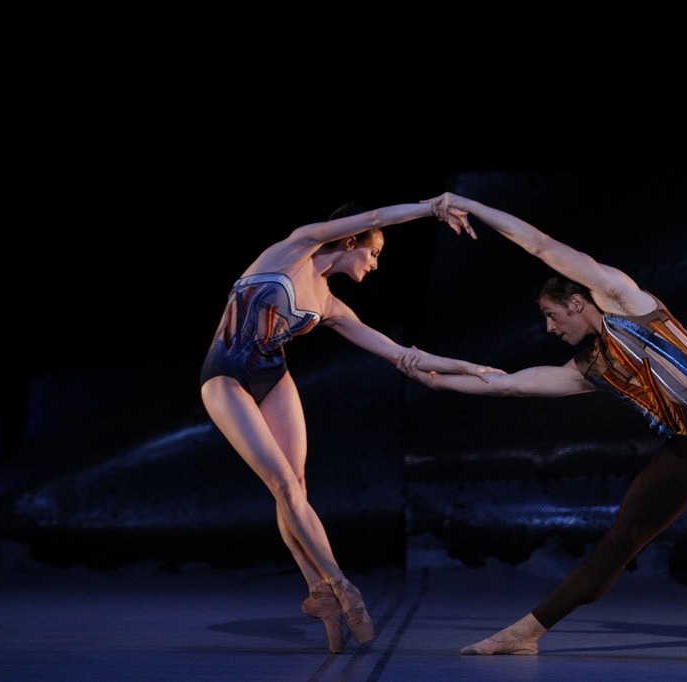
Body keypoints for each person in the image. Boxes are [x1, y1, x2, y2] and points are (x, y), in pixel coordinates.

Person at [399, 192, 687, 667]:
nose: (549, 328)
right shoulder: (588, 367)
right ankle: (524, 632)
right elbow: (509, 386)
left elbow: (541, 244)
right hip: (685, 452)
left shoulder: (623, 299)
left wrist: (466, 204)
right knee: (617, 545)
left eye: (551, 314)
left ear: (575, 301)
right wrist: (431, 376)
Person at [199, 200, 501, 653]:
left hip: (272, 376)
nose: (375, 265)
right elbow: (376, 218)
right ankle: (341, 587)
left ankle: (319, 592)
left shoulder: (330, 304)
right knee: (282, 485)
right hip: (225, 377)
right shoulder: (295, 248)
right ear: (349, 241)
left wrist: (469, 366)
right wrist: (433, 208)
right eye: (374, 254)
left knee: (296, 485)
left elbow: (400, 354)